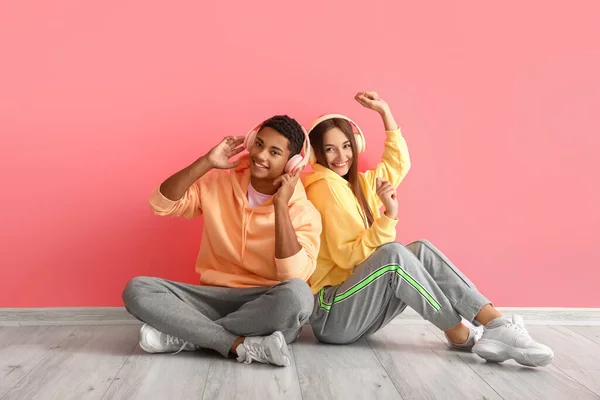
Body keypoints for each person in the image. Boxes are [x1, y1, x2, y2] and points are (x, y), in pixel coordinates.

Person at [301, 92, 554, 367]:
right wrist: (390, 216)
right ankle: (458, 332)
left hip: (356, 306)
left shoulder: (356, 185)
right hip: (332, 315)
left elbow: (398, 165)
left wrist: (386, 114)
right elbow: (349, 257)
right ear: (317, 153)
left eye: (346, 146)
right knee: (394, 255)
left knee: (419, 249)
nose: (342, 156)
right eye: (330, 149)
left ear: (356, 144)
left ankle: (496, 324)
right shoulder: (324, 188)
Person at [122, 115, 322, 367]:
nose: (260, 155)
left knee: (298, 296)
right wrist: (206, 163)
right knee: (137, 289)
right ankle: (237, 344)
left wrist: (281, 207)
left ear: (292, 165)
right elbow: (161, 204)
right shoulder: (219, 182)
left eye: (274, 152)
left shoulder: (304, 212)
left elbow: (291, 274)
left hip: (265, 304)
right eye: (258, 144)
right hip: (211, 298)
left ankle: (192, 336)